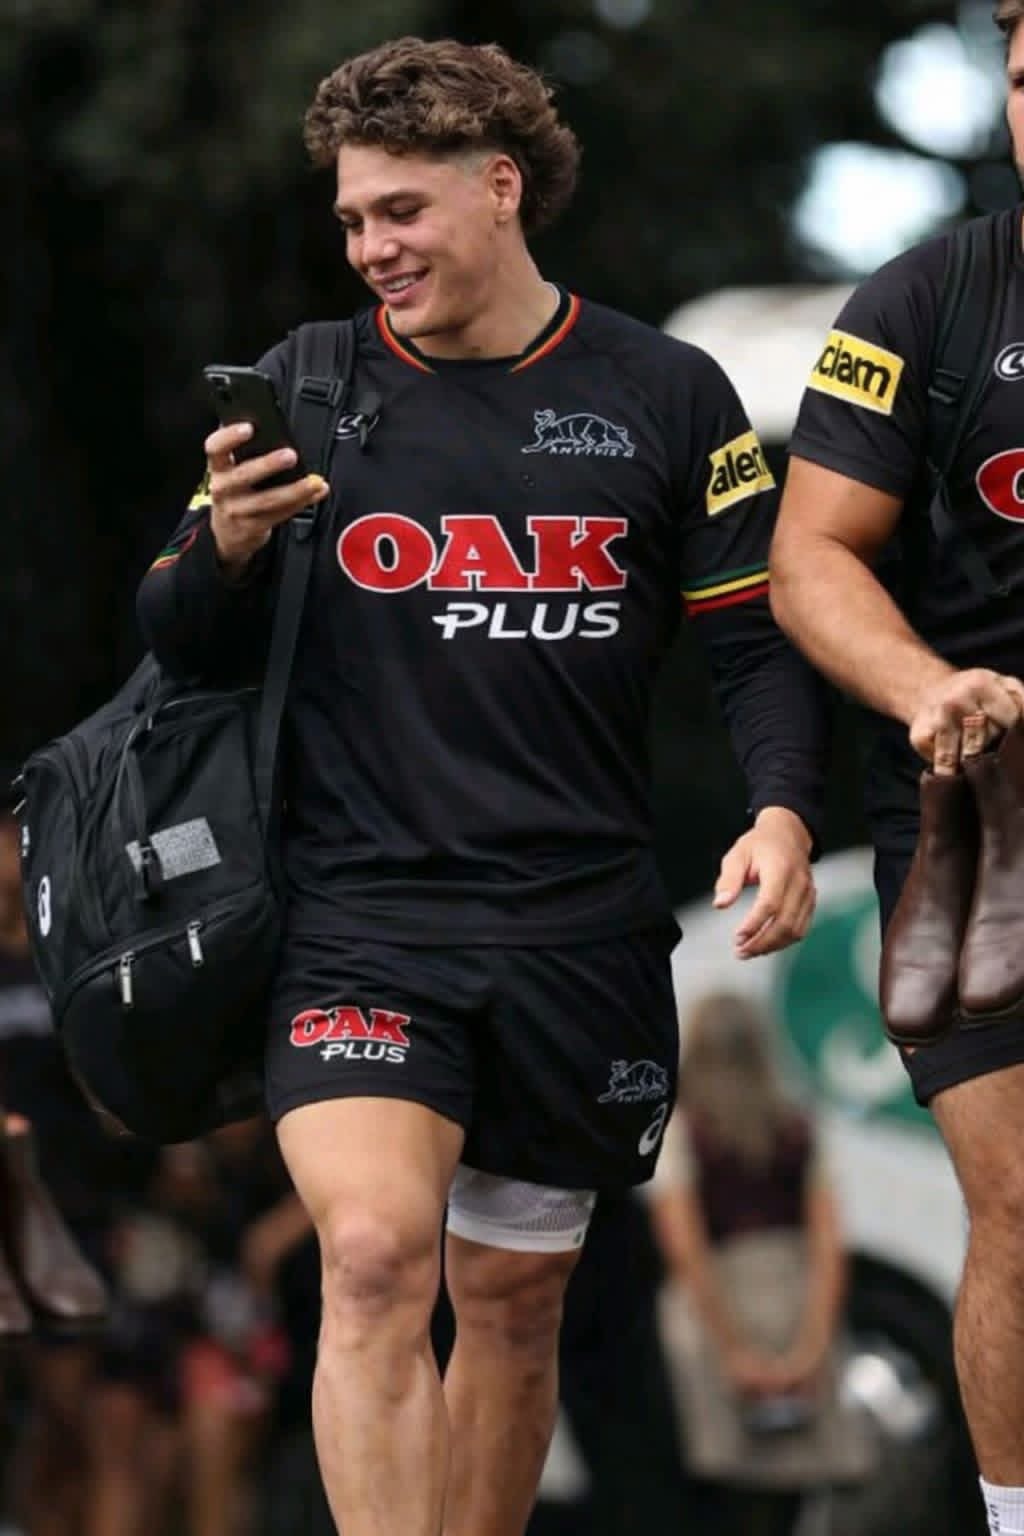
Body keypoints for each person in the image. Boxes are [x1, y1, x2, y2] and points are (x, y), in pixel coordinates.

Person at [135, 37, 828, 1536]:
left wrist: (781, 809)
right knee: (376, 1256)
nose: (371, 248)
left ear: (500, 187)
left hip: (577, 932)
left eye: (401, 210)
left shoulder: (667, 391)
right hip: (358, 921)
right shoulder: (308, 383)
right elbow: (174, 631)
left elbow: (754, 643)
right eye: (351, 221)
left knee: (511, 1305)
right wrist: (226, 546)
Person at [769, 6, 1024, 1532]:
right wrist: (930, 687)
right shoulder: (929, 296)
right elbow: (809, 557)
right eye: (1023, 80)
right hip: (980, 826)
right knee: (1023, 1202)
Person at [648, 992, 871, 1536]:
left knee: (725, 1480)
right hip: (793, 1293)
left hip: (717, 1300)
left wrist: (731, 1351)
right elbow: (828, 1244)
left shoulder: (682, 1131)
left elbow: (685, 1247)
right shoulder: (797, 1125)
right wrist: (812, 1348)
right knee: (794, 1482)